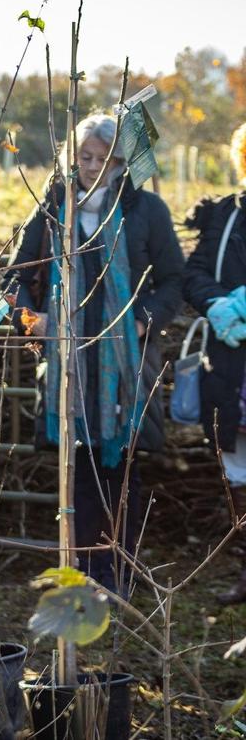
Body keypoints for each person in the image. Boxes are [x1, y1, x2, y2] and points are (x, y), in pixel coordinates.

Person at [8, 114, 183, 592]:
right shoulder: (52, 209)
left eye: (101, 159)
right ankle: (83, 572)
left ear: (119, 163)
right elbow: (17, 276)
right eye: (83, 157)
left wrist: (145, 318)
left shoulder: (144, 210)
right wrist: (31, 317)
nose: (90, 167)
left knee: (123, 469)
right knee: (78, 471)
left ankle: (118, 572)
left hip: (126, 364)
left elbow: (173, 278)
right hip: (68, 363)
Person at [183, 122, 246, 605]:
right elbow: (195, 273)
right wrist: (219, 305)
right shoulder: (224, 216)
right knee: (238, 469)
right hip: (231, 365)